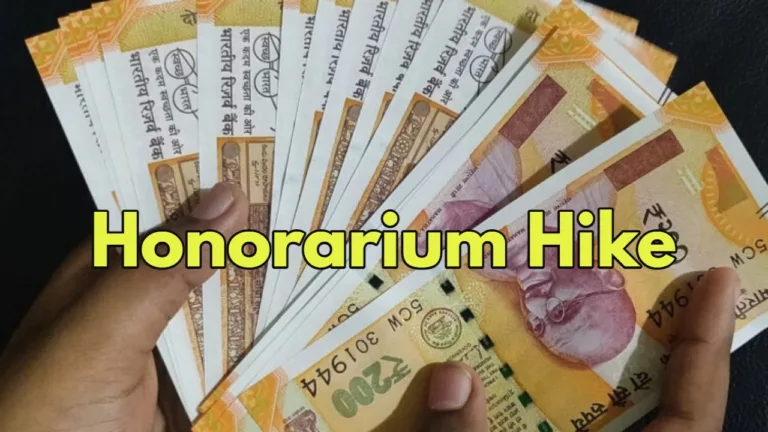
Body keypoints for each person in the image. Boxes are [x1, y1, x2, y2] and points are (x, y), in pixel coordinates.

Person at [0, 183, 740, 432]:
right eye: (566, 308)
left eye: (546, 328)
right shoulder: (561, 198)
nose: (539, 307)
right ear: (605, 269)